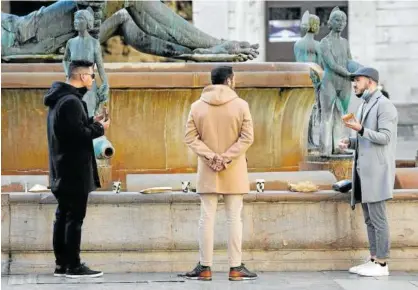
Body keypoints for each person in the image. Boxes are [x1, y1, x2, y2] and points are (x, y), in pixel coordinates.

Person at [181, 66, 257, 281]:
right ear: (230, 80)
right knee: (234, 219)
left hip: (208, 169)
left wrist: (211, 157)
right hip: (233, 169)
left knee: (206, 218)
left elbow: (190, 138)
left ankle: (205, 267)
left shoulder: (197, 106)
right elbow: (247, 137)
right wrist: (226, 157)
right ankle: (235, 268)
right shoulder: (241, 105)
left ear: (212, 81)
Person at [44, 60, 110, 278]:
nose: (93, 79)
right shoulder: (71, 101)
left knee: (63, 216)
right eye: (91, 75)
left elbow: (71, 128)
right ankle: (73, 265)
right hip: (73, 169)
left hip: (62, 167)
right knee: (74, 218)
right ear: (82, 77)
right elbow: (78, 136)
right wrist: (100, 128)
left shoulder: (61, 100)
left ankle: (62, 264)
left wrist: (92, 120)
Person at [339, 67, 398, 277]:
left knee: (378, 219)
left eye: (357, 80)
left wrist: (360, 129)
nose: (354, 84)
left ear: (370, 81)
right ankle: (373, 258)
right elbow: (366, 139)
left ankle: (382, 263)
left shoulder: (385, 105)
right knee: (369, 219)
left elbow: (385, 138)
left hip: (377, 173)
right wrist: (352, 142)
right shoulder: (365, 104)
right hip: (364, 173)